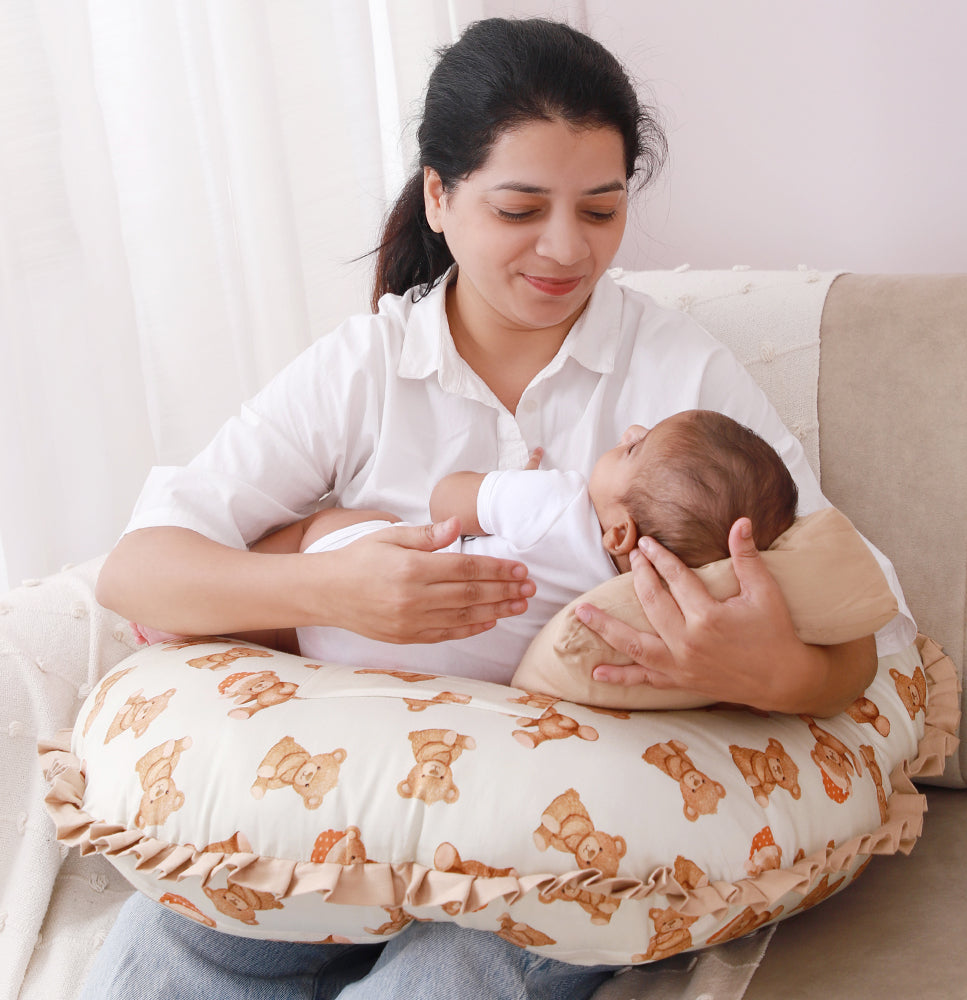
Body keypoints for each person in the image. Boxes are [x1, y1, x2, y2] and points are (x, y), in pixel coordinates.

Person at [89, 16, 915, 1000]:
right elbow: (135, 570)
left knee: (446, 970)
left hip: (563, 828)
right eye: (520, 208)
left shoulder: (676, 375)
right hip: (355, 803)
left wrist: (764, 666)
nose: (566, 249)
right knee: (177, 933)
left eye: (601, 211)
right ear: (439, 196)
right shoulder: (366, 370)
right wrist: (331, 585)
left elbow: (861, 638)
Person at [193, 409, 797, 683]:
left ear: (619, 533)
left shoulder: (560, 500)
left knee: (340, 523)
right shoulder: (640, 614)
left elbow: (445, 500)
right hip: (387, 673)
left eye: (635, 450)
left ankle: (215, 615)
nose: (631, 431)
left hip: (351, 590)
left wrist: (509, 481)